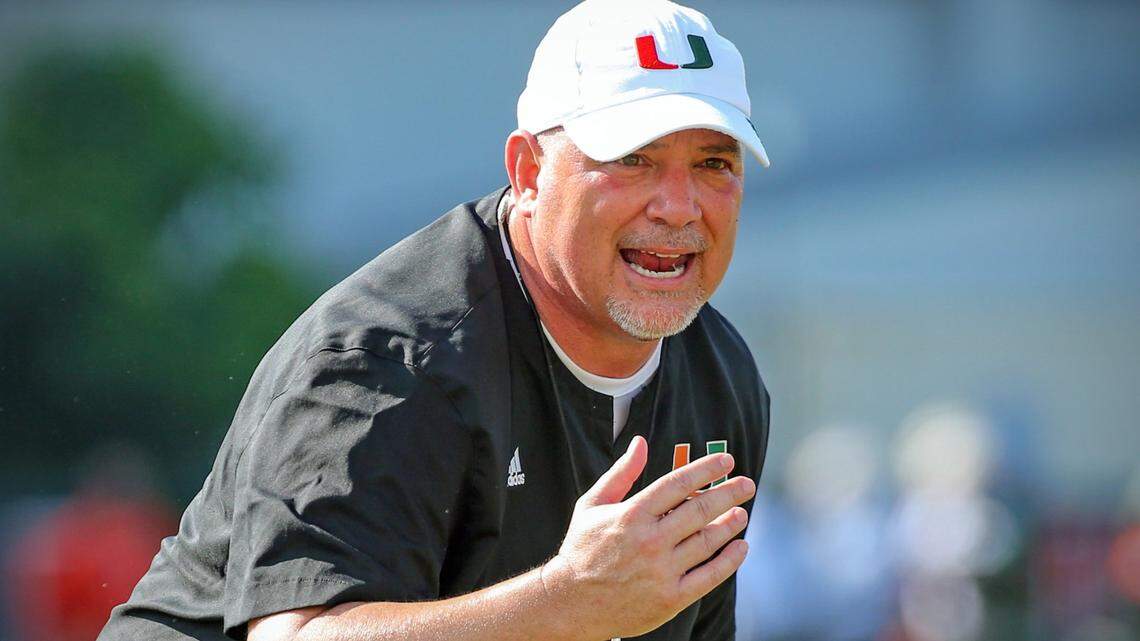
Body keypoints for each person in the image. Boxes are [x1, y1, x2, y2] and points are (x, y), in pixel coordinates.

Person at [99, 1, 772, 639]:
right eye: (634, 158)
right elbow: (296, 634)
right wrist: (567, 600)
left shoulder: (724, 378)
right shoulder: (391, 360)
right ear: (529, 172)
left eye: (714, 163)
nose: (680, 206)